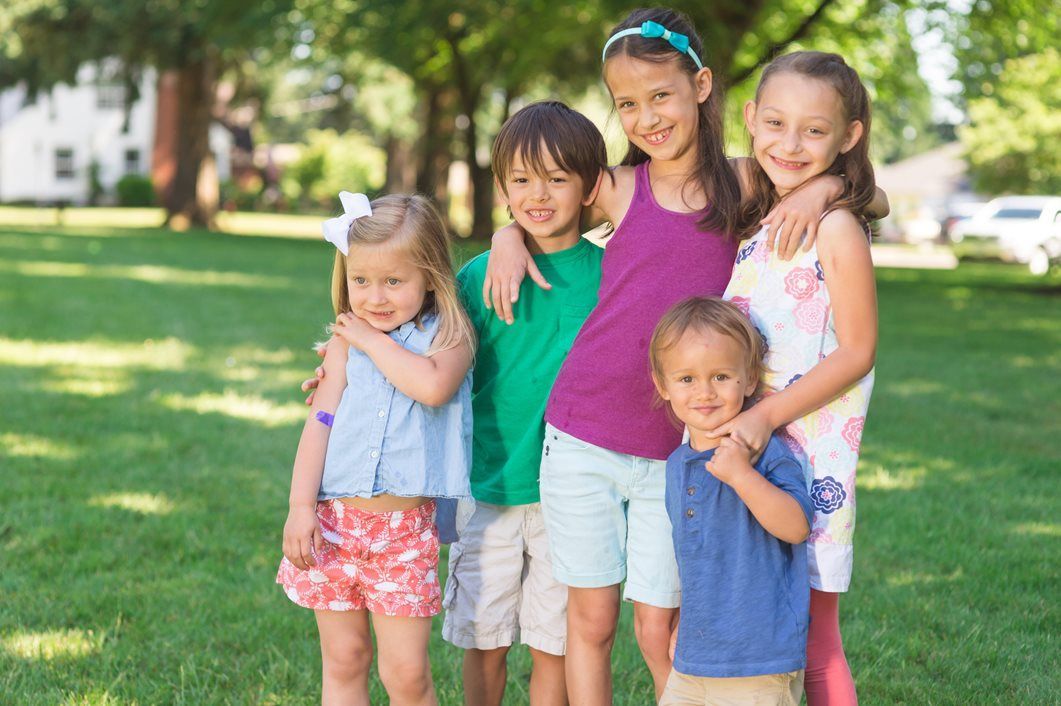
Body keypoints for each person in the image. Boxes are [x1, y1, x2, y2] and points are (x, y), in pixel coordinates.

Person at [481, 9, 869, 703]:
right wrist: (509, 233)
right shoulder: (616, 186)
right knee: (590, 621)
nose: (646, 117)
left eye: (660, 95)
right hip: (585, 425)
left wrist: (822, 186)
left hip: (678, 444)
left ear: (701, 87)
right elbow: (545, 201)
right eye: (626, 104)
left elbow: (859, 188)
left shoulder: (744, 182)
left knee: (661, 624)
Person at [715, 51, 880, 705]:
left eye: (814, 131)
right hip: (745, 454)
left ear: (848, 136)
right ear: (750, 119)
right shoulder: (751, 211)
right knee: (752, 623)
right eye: (775, 123)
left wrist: (763, 414)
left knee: (812, 639)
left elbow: (858, 350)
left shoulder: (836, 228)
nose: (790, 144)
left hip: (809, 454)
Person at [277, 193, 474, 706]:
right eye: (360, 280)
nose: (374, 297)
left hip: (403, 534)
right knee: (344, 660)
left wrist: (369, 340)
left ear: (430, 276)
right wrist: (301, 508)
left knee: (405, 675)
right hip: (334, 523)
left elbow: (431, 388)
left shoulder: (448, 336)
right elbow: (318, 423)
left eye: (393, 281)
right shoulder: (345, 342)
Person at [442, 100, 607, 706]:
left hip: (574, 495)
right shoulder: (478, 277)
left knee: (554, 645)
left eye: (558, 178)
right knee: (483, 643)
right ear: (503, 187)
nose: (539, 194)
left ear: (590, 186)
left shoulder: (613, 274)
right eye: (521, 179)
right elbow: (432, 363)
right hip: (488, 486)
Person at [649, 296, 814, 705]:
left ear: (750, 379)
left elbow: (796, 527)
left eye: (721, 376)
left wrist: (741, 475)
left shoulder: (765, 453)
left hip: (758, 660)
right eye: (686, 379)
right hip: (695, 658)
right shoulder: (677, 465)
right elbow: (697, 560)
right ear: (663, 385)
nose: (704, 392)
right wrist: (684, 625)